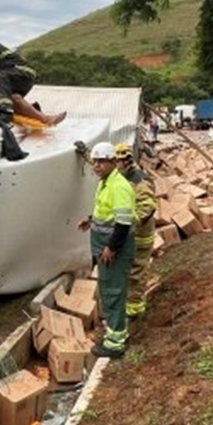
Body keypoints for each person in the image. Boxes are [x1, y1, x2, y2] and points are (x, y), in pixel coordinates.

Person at [78, 142, 136, 358]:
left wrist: (111, 247)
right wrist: (91, 220)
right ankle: (117, 331)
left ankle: (115, 343)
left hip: (114, 250)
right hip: (106, 246)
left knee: (113, 292)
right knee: (110, 290)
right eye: (95, 162)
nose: (97, 166)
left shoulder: (119, 186)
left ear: (113, 162)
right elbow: (106, 213)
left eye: (101, 161)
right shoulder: (105, 183)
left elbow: (123, 223)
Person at [0, 36, 66, 126]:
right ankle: (45, 118)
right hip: (23, 77)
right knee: (15, 98)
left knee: (0, 78)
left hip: (20, 73)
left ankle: (5, 112)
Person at [114, 143, 157, 318]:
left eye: (116, 161)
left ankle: (134, 310)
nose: (113, 165)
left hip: (141, 235)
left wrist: (130, 223)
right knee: (128, 270)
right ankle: (130, 302)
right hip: (131, 234)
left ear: (126, 161)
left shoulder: (138, 179)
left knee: (136, 272)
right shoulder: (123, 175)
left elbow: (148, 206)